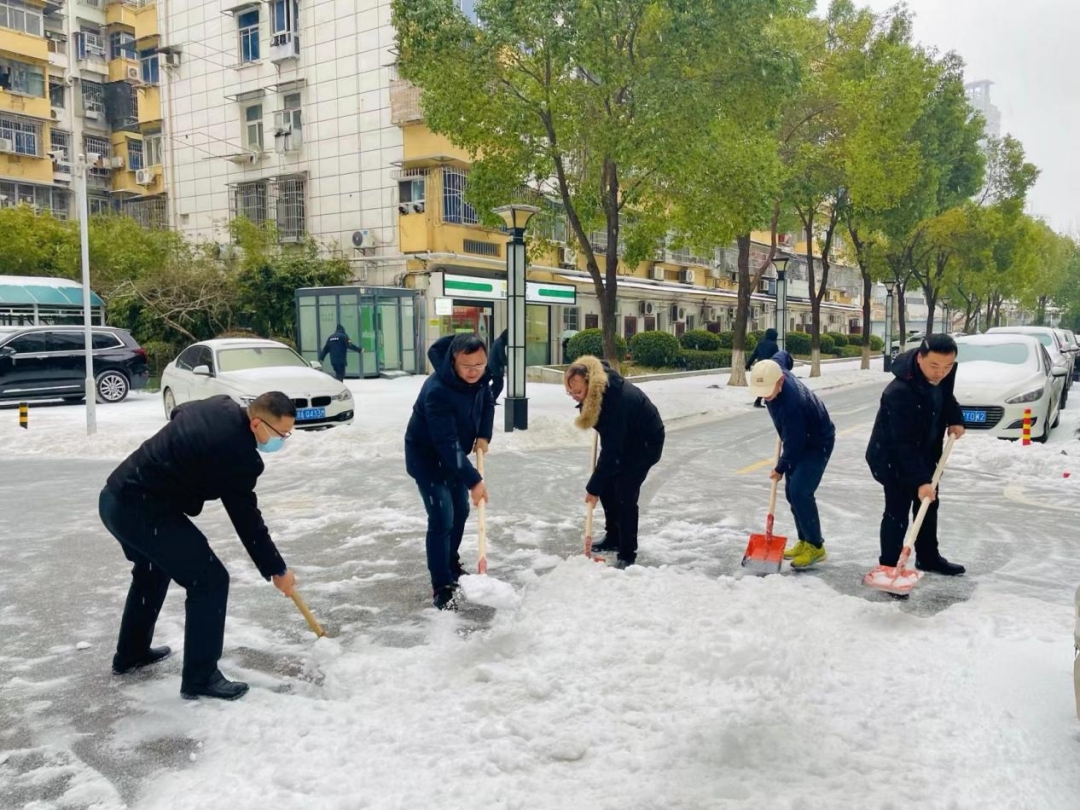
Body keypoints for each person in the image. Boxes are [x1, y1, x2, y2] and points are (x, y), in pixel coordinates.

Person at [99, 392, 298, 701]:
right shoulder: (236, 454)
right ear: (257, 423)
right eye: (281, 434)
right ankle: (201, 678)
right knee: (210, 580)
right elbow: (246, 519)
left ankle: (131, 654)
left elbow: (180, 412)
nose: (283, 441)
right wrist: (277, 569)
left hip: (115, 498)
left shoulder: (220, 405)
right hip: (141, 511)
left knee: (152, 571)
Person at [405, 333, 495, 610]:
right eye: (467, 366)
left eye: (479, 365)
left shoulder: (481, 377)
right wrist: (474, 481)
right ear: (453, 361)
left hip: (455, 458)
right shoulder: (437, 390)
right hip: (428, 459)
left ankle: (450, 563)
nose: (474, 371)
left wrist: (484, 434)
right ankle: (441, 585)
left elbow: (487, 401)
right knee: (442, 517)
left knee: (461, 511)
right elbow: (445, 442)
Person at [865, 334, 966, 575]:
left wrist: (955, 419)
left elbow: (946, 396)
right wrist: (921, 480)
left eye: (947, 366)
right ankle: (889, 565)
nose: (940, 372)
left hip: (925, 450)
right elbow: (902, 443)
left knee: (928, 505)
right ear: (920, 358)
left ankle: (928, 558)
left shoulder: (942, 373)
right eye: (935, 366)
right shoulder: (898, 392)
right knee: (897, 510)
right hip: (891, 456)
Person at [564, 355, 665, 569]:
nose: (574, 397)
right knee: (608, 487)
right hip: (625, 437)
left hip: (645, 443)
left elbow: (612, 452)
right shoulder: (598, 387)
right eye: (570, 393)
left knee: (624, 493)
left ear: (589, 383)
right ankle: (613, 537)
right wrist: (599, 485)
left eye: (578, 392)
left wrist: (592, 488)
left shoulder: (616, 401)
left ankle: (627, 552)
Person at [747, 351, 835, 569]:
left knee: (800, 492)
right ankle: (804, 540)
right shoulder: (775, 367)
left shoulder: (790, 405)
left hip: (816, 442)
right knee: (791, 492)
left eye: (768, 391)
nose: (766, 397)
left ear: (781, 381)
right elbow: (783, 355)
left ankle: (816, 546)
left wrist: (780, 468)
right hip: (799, 437)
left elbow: (794, 444)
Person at [746, 328, 780, 408]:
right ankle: (761, 401)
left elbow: (754, 355)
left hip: (760, 366)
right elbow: (777, 357)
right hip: (769, 367)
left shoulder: (760, 344)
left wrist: (748, 364)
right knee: (770, 383)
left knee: (764, 384)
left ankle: (762, 400)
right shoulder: (774, 345)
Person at [487, 328, 508, 404]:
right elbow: (501, 357)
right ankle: (491, 399)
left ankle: (490, 398)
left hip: (492, 366)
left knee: (496, 384)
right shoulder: (500, 344)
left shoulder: (498, 341)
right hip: (495, 367)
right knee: (499, 385)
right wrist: (508, 362)